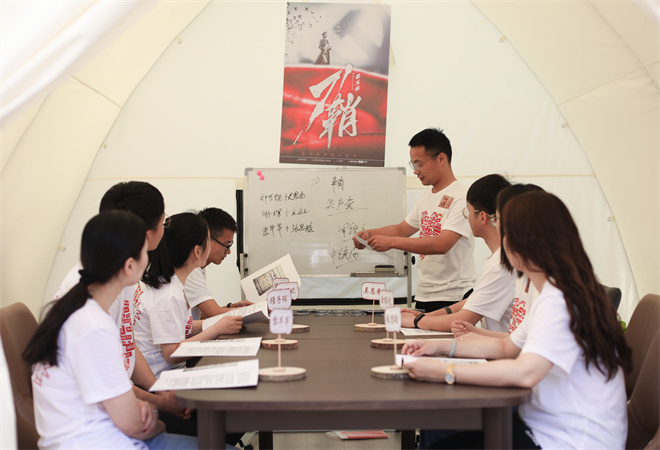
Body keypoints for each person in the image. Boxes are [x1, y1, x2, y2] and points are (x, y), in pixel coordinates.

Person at [402, 191, 632, 449]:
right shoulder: (557, 288)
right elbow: (507, 346)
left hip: (569, 439)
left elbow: (524, 372)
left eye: (504, 230)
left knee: (443, 439)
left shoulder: (560, 300)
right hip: (546, 424)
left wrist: (443, 371)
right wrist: (438, 347)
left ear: (523, 241)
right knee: (441, 427)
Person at [23, 211, 197, 449]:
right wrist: (158, 425)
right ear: (129, 266)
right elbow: (133, 424)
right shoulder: (94, 326)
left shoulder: (75, 309)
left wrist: (143, 406)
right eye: (144, 252)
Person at [52, 181, 194, 435]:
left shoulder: (114, 276)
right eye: (163, 222)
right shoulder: (91, 312)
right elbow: (115, 398)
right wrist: (159, 404)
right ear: (144, 236)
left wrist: (159, 391)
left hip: (118, 405)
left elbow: (128, 345)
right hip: (103, 423)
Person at [353, 128, 475, 312]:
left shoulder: (462, 196)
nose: (416, 171)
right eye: (413, 165)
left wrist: (391, 243)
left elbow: (442, 244)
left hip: (453, 295)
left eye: (419, 164)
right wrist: (369, 234)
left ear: (441, 158)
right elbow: (402, 229)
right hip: (425, 294)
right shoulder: (427, 197)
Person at [401, 174, 515, 332]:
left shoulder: (501, 264)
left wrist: (416, 321)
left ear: (482, 217)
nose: (466, 217)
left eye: (468, 211)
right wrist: (427, 316)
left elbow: (463, 320)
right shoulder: (499, 258)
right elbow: (476, 300)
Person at [134, 212, 243, 378]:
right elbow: (172, 354)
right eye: (207, 241)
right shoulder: (168, 294)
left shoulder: (168, 283)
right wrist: (217, 329)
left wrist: (219, 322)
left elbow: (180, 325)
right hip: (163, 378)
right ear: (197, 251)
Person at [451, 183, 544, 339]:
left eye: (498, 219)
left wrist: (418, 320)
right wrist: (475, 333)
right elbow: (515, 341)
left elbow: (522, 349)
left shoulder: (550, 289)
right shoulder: (524, 276)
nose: (496, 225)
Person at [185, 207, 252, 320]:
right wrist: (257, 309)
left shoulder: (199, 267)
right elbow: (214, 313)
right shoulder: (191, 269)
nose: (228, 251)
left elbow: (200, 314)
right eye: (227, 245)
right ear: (207, 238)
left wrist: (232, 307)